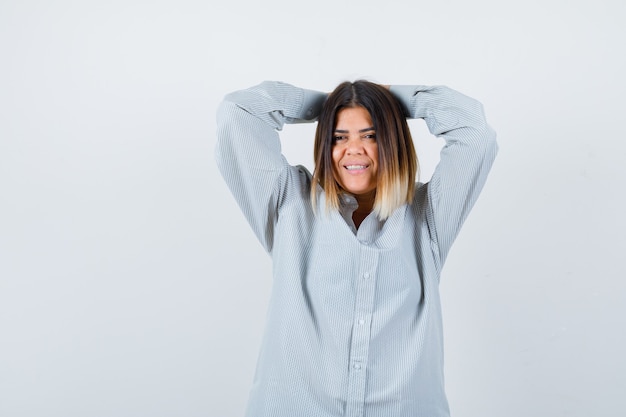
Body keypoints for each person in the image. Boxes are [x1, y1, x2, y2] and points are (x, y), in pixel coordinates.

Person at [215, 79, 498, 417]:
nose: (354, 149)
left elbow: (474, 131)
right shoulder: (289, 205)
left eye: (371, 135)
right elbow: (238, 111)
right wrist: (329, 103)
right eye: (339, 137)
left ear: (392, 141)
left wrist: (392, 99)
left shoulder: (429, 215)